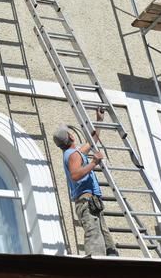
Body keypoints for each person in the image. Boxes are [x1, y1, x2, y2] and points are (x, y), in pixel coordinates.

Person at [52, 110, 117, 257]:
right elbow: (75, 175)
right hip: (86, 201)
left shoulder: (75, 153)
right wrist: (94, 162)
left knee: (102, 232)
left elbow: (92, 141)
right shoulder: (73, 155)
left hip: (91, 200)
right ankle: (96, 265)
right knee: (94, 233)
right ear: (71, 136)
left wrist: (99, 121)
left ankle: (111, 257)